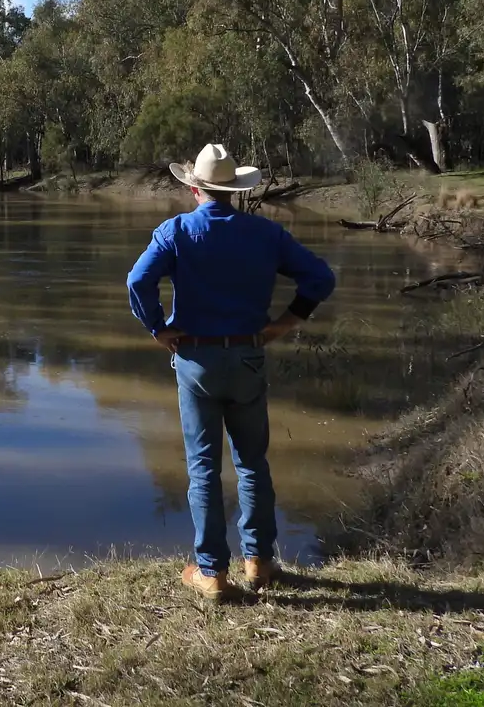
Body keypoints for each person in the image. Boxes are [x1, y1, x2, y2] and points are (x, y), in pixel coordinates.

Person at [126, 143, 336, 600]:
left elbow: (138, 282)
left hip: (195, 360)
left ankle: (212, 574)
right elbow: (320, 278)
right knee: (252, 464)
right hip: (247, 357)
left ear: (195, 187)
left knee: (203, 468)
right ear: (235, 191)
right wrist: (286, 322)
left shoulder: (176, 231)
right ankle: (258, 562)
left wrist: (158, 329)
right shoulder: (266, 234)